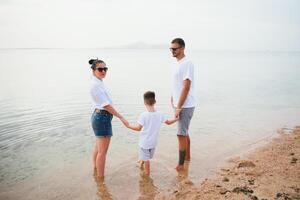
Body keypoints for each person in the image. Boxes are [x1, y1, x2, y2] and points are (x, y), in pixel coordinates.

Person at [89, 58, 129, 180]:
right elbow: (106, 105)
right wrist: (121, 117)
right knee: (102, 152)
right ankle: (101, 180)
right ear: (93, 71)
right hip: (102, 117)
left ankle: (95, 172)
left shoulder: (98, 82)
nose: (103, 71)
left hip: (99, 116)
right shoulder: (95, 85)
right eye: (100, 69)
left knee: (98, 148)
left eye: (105, 69)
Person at [125, 91, 178, 176]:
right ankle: (141, 163)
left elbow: (138, 128)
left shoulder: (144, 115)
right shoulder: (160, 114)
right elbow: (168, 122)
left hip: (144, 143)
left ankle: (147, 177)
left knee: (147, 160)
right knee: (147, 157)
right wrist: (176, 119)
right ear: (155, 102)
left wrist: (128, 126)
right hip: (153, 143)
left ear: (144, 102)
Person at [169, 38, 195, 171]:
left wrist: (179, 106)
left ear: (182, 48)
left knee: (180, 134)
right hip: (179, 103)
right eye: (171, 49)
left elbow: (186, 87)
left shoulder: (187, 63)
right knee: (184, 132)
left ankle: (180, 165)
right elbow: (177, 84)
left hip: (185, 104)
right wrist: (172, 98)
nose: (172, 51)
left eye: (175, 49)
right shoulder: (177, 63)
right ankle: (187, 158)